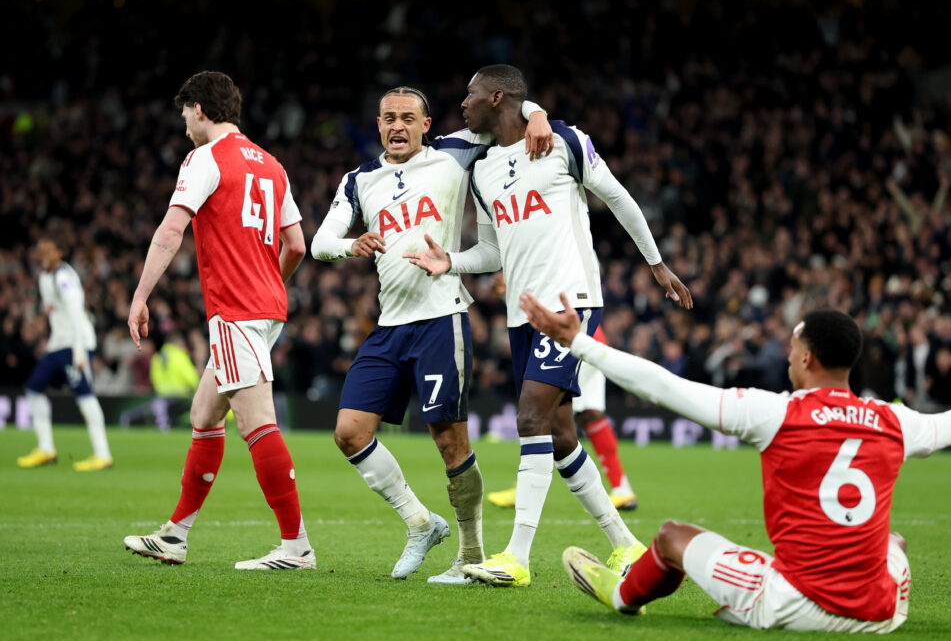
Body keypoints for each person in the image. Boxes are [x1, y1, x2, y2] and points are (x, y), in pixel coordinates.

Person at [522, 294, 951, 633]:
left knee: (672, 536)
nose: (789, 359)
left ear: (807, 361)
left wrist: (580, 344)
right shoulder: (894, 420)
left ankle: (622, 596)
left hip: (798, 602)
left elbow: (664, 387)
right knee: (893, 543)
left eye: (794, 351)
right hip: (882, 611)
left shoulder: (776, 412)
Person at [404, 65, 692, 587]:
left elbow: (620, 197)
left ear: (497, 97)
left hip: (571, 304)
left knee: (531, 419)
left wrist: (655, 263)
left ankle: (515, 558)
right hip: (522, 313)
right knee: (559, 435)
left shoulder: (564, 142)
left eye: (469, 95)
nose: (461, 104)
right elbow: (491, 250)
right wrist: (451, 260)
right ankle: (626, 547)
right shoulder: (485, 169)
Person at [311, 85, 552, 583]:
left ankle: (471, 555)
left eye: (407, 118)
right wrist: (351, 244)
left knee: (450, 442)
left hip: (441, 319)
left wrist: (538, 115)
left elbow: (505, 105)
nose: (396, 126)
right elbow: (319, 243)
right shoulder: (360, 179)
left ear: (425, 125)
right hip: (389, 326)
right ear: (377, 125)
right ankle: (420, 524)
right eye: (387, 118)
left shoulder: (453, 152)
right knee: (349, 433)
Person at [123, 71, 314, 570]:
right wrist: (270, 281)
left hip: (235, 310)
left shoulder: (204, 158)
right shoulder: (273, 166)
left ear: (200, 110)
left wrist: (141, 295)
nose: (184, 121)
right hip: (267, 306)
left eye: (185, 111)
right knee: (204, 415)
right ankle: (175, 534)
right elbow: (296, 244)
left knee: (257, 421)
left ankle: (296, 547)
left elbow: (172, 229)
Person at [487, 326, 639, 511]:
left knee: (543, 414)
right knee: (591, 414)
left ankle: (525, 490)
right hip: (590, 337)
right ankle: (622, 489)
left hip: (570, 340)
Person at [17, 238, 113, 471]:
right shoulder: (44, 277)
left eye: (50, 252)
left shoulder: (64, 277)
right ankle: (46, 449)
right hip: (57, 345)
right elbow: (54, 313)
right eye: (42, 254)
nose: (45, 257)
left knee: (85, 395)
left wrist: (79, 351)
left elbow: (75, 312)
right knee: (33, 389)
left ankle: (103, 454)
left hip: (75, 345)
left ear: (58, 253)